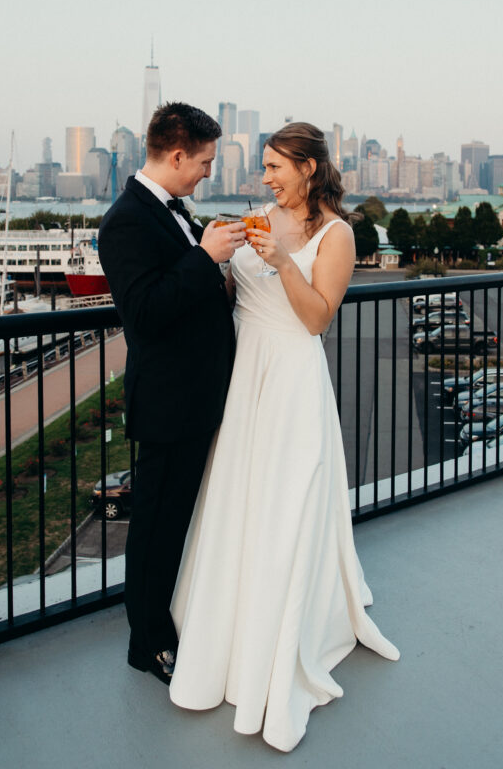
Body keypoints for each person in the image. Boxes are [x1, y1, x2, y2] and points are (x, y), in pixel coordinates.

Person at [169, 121, 399, 751]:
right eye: (264, 167)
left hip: (294, 377)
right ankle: (230, 624)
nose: (264, 177)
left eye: (275, 167)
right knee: (240, 495)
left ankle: (284, 628)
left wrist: (277, 263)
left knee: (287, 501)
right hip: (246, 377)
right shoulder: (258, 218)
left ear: (308, 168)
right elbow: (229, 292)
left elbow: (318, 317)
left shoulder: (337, 234)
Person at [98, 102, 246, 686]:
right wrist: (204, 257)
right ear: (178, 154)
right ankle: (149, 642)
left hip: (199, 396)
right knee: (156, 529)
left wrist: (222, 274)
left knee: (182, 520)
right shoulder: (126, 220)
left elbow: (186, 288)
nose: (209, 171)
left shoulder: (174, 210)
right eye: (205, 162)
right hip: (169, 403)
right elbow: (145, 313)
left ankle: (177, 618)